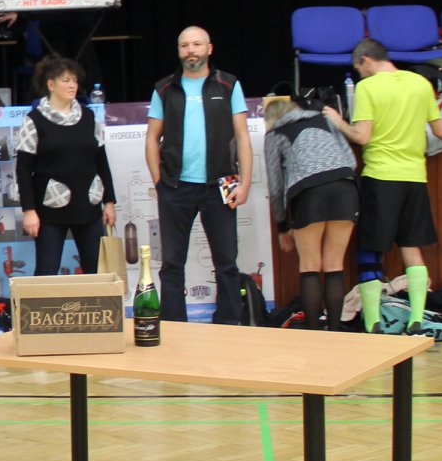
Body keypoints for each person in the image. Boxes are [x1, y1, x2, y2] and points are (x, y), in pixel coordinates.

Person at [324, 39, 442, 334]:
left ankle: (373, 323)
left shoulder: (367, 87)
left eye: (358, 68)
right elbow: (440, 130)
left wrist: (337, 120)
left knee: (370, 251)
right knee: (411, 247)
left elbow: (362, 136)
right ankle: (417, 320)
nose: (359, 74)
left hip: (381, 176)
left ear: (365, 60)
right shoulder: (420, 83)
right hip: (415, 177)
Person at [145, 27, 250, 322]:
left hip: (223, 184)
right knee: (171, 264)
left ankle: (229, 325)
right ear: (179, 51)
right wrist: (159, 181)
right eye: (184, 45)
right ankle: (174, 326)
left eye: (196, 44)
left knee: (226, 262)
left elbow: (242, 137)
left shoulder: (228, 84)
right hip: (175, 186)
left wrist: (244, 183)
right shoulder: (164, 88)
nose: (190, 50)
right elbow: (151, 138)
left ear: (209, 48)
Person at [262, 89, 358, 330]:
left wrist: (283, 226)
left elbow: (276, 186)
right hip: (345, 189)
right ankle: (335, 331)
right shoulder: (324, 120)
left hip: (309, 194)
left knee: (309, 266)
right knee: (334, 265)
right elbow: (351, 161)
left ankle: (314, 334)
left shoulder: (274, 134)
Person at [14, 55, 117, 278]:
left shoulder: (89, 117)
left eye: (75, 80)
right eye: (66, 80)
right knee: (46, 271)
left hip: (88, 206)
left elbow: (102, 161)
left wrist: (109, 201)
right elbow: (23, 170)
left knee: (96, 271)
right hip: (50, 210)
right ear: (50, 85)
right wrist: (29, 211)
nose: (72, 85)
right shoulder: (33, 120)